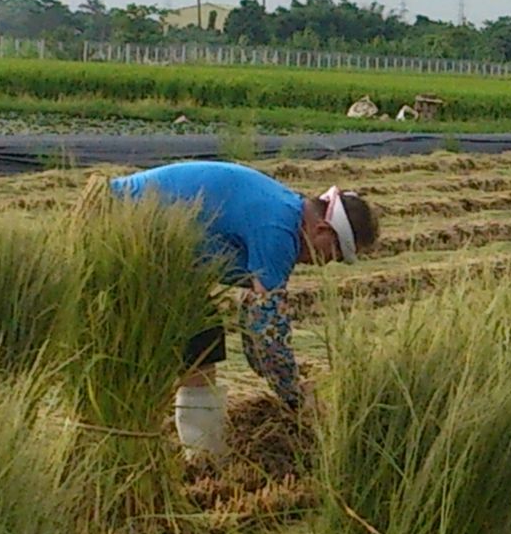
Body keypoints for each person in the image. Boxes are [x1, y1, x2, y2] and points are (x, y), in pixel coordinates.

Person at [109, 160, 377, 458]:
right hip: (121, 232)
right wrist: (296, 398)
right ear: (323, 229)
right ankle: (197, 457)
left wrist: (283, 382)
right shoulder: (280, 230)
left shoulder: (285, 211)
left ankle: (203, 457)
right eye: (336, 254)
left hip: (158, 253)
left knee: (202, 339)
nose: (327, 263)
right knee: (186, 344)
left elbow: (255, 325)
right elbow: (267, 333)